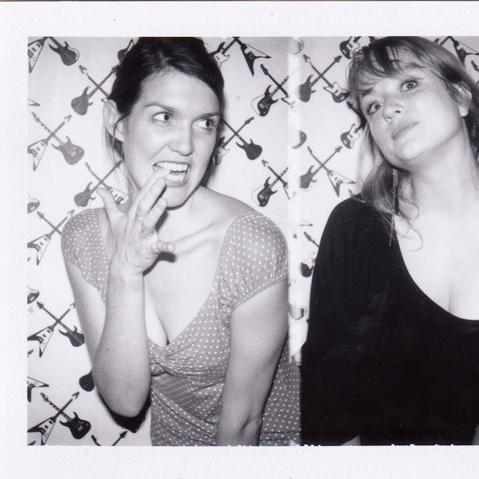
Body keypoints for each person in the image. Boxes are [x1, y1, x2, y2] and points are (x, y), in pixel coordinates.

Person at [300, 37, 479, 446]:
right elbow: (329, 411)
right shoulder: (354, 227)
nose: (388, 109)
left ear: (460, 97)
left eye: (408, 84)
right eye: (372, 105)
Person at [62, 37, 299, 446]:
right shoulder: (84, 239)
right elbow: (125, 400)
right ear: (117, 122)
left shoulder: (251, 244)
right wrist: (125, 272)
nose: (187, 145)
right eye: (164, 117)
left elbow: (244, 423)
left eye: (205, 123)